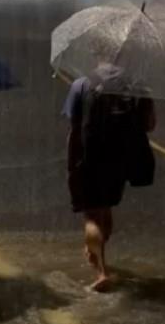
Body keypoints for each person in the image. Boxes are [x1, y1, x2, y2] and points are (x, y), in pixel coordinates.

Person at [63, 65, 156, 292]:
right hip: (119, 161)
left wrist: (71, 163)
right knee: (105, 209)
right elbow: (149, 125)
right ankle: (95, 251)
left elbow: (74, 128)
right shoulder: (135, 88)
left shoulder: (81, 85)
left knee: (92, 215)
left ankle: (101, 272)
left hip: (89, 159)